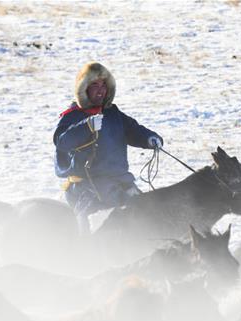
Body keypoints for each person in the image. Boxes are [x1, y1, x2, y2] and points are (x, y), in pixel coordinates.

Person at [53, 61, 164, 230]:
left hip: (119, 181)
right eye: (95, 85)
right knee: (92, 230)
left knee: (147, 217)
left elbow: (132, 130)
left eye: (104, 85)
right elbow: (62, 141)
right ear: (84, 89)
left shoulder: (112, 113)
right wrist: (86, 127)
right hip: (87, 186)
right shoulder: (73, 116)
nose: (101, 90)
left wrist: (149, 138)